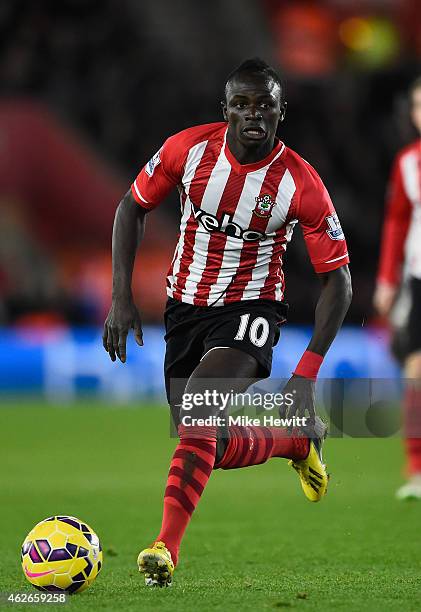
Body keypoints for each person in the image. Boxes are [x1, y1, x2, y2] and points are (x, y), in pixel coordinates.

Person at [103, 58, 352, 586]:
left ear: (282, 111)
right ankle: (294, 442)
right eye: (242, 103)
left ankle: (164, 549)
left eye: (265, 104)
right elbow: (131, 207)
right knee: (202, 437)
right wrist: (121, 297)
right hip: (185, 307)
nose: (253, 113)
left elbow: (339, 281)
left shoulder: (301, 183)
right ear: (226, 110)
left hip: (252, 310)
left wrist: (304, 375)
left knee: (199, 405)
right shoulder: (187, 150)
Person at [373, 76, 421, 500]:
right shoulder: (407, 161)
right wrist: (387, 279)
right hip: (418, 278)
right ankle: (417, 469)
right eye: (419, 106)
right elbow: (397, 221)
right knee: (415, 370)